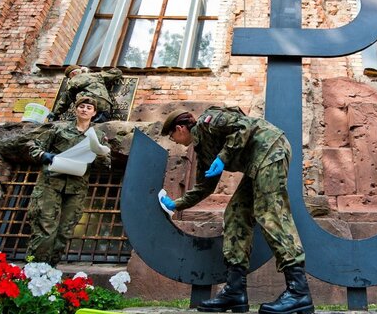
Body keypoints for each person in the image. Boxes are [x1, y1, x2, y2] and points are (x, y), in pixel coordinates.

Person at [160, 106, 314, 314]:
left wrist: (223, 156)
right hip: (256, 163)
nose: (175, 142)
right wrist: (177, 204)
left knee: (270, 212)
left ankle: (299, 292)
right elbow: (205, 185)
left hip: (270, 148)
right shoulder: (201, 149)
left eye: (172, 137)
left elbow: (245, 125)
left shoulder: (210, 120)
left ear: (180, 128)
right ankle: (235, 291)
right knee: (236, 215)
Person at [27, 96, 111, 266]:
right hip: (50, 184)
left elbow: (105, 163)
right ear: (76, 109)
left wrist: (101, 153)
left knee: (64, 231)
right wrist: (44, 155)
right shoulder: (58, 129)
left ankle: (51, 270)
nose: (85, 110)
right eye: (81, 106)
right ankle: (34, 269)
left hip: (77, 188)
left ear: (94, 113)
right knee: (45, 228)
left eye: (89, 107)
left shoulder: (98, 135)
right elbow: (33, 145)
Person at [50, 65, 122, 123]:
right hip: (105, 109)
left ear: (73, 74)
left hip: (88, 107)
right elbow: (117, 72)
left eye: (69, 77)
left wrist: (55, 114)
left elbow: (64, 101)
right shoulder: (96, 75)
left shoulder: (74, 80)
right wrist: (89, 71)